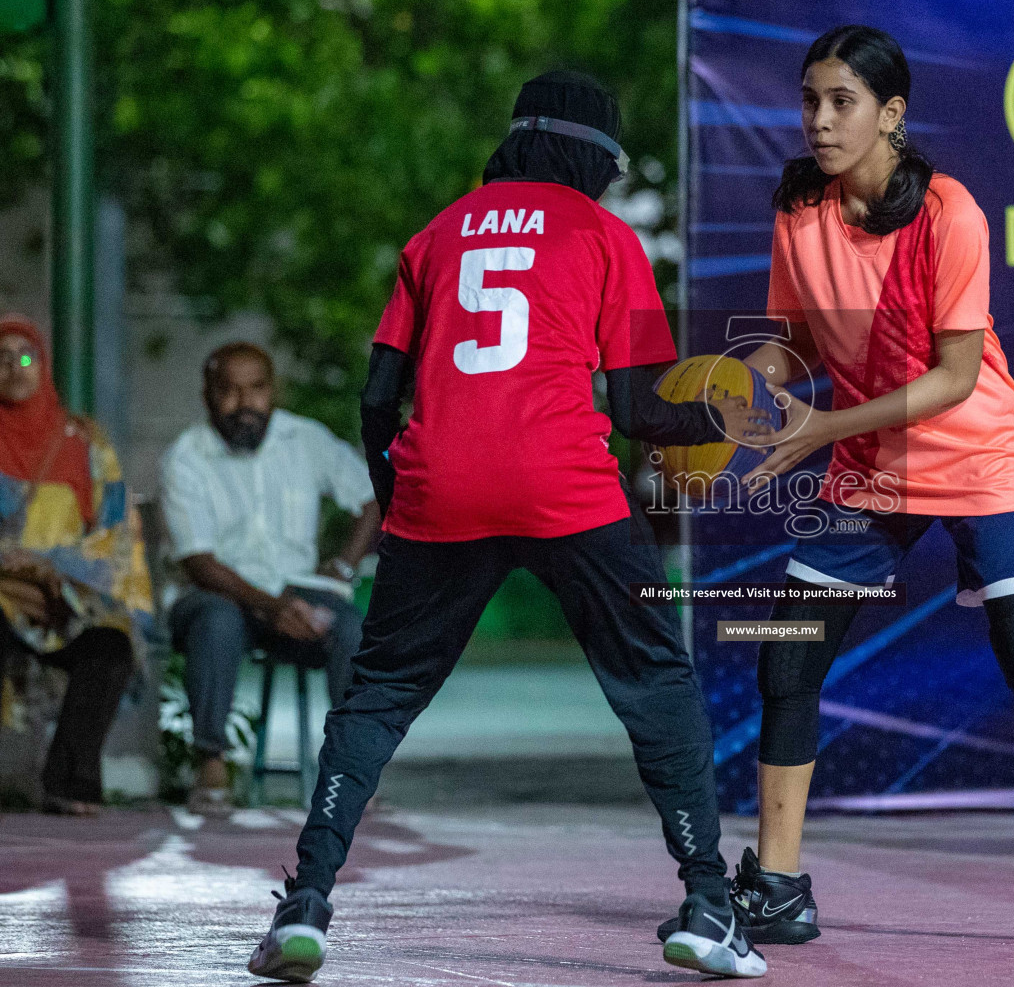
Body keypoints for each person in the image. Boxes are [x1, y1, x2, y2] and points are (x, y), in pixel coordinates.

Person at [662, 25, 1014, 954]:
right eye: (810, 101)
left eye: (842, 103)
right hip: (872, 465)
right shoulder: (800, 209)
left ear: (892, 115)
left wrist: (821, 427)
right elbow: (792, 340)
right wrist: (734, 387)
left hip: (978, 455)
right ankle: (782, 885)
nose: (820, 120)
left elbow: (956, 377)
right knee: (787, 659)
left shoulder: (950, 211)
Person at [247, 70, 773, 984]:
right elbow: (644, 409)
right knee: (655, 680)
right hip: (565, 486)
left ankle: (307, 903)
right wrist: (733, 417)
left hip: (440, 488)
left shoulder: (435, 236)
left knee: (377, 696)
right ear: (593, 156)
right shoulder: (607, 238)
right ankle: (708, 905)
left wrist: (400, 498)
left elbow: (378, 400)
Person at [160, 343, 380, 816]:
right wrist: (273, 606)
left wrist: (342, 566)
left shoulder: (306, 440)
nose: (244, 403)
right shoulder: (186, 457)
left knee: (352, 630)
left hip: (298, 592)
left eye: (256, 389)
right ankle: (211, 764)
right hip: (216, 594)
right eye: (229, 391)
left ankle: (352, 770)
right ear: (207, 395)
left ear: (272, 390)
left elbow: (374, 499)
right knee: (216, 620)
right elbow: (199, 562)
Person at [0, 314, 153, 816]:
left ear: (43, 366)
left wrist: (52, 571)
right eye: (1, 358)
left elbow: (113, 538)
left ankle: (71, 779)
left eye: (25, 357)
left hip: (60, 598)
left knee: (110, 644)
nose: (12, 368)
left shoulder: (85, 445)